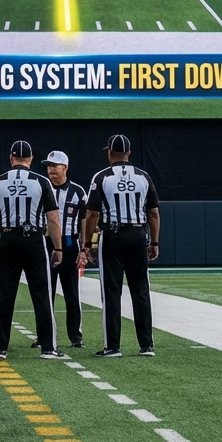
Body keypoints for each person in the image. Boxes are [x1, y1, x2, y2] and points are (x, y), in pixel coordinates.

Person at [0, 140, 65, 361]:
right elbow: (53, 218)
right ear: (31, 159)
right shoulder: (41, 181)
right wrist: (58, 247)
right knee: (42, 295)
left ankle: (0, 347)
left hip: (8, 240)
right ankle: (48, 347)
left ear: (11, 158)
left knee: (4, 295)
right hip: (34, 241)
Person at [83, 134, 160, 358]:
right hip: (138, 234)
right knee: (140, 290)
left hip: (113, 236)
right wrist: (154, 241)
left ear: (109, 153)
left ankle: (113, 346)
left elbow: (92, 213)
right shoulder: (143, 176)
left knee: (111, 292)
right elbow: (153, 213)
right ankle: (146, 345)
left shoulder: (102, 177)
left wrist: (87, 243)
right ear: (129, 153)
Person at [38, 151, 88, 349]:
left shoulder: (77, 191)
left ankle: (75, 336)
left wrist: (84, 249)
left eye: (54, 166)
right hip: (46, 244)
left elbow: (84, 222)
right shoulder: (42, 187)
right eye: (48, 166)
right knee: (45, 293)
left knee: (72, 294)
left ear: (65, 167)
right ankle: (45, 335)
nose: (50, 170)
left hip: (69, 245)